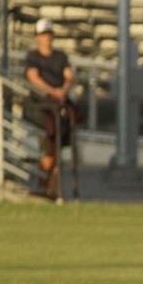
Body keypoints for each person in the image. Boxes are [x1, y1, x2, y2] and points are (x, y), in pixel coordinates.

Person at [24, 17, 81, 199]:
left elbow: (69, 76)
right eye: (42, 34)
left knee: (56, 150)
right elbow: (33, 77)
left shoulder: (60, 57)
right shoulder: (33, 57)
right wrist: (52, 91)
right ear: (37, 37)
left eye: (48, 34)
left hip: (58, 106)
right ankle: (44, 185)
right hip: (42, 108)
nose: (46, 38)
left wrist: (62, 91)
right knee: (50, 149)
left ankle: (52, 189)